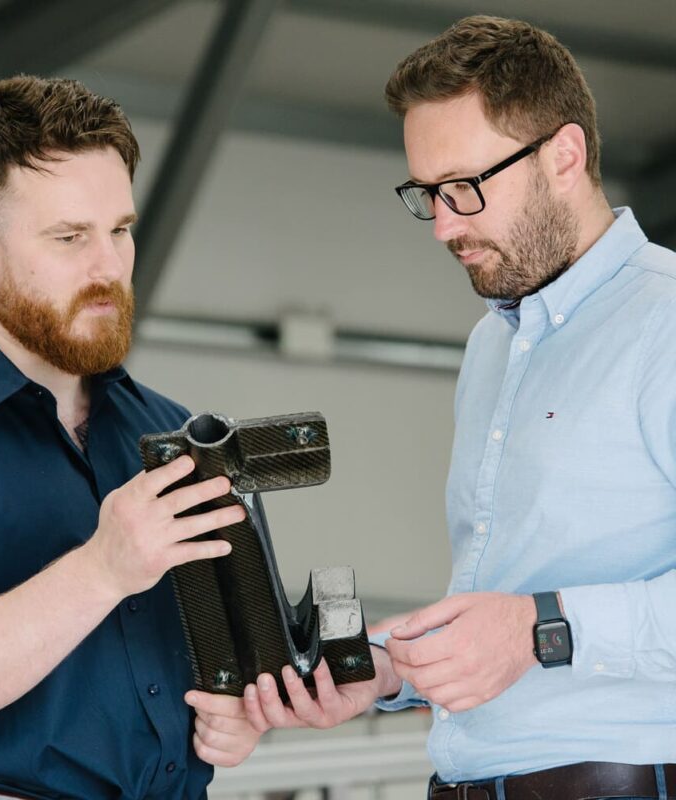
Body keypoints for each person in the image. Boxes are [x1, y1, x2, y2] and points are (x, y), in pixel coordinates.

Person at [242, 15, 676, 800]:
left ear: (565, 157)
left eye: (465, 188)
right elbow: (502, 609)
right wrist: (385, 675)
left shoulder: (666, 322)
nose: (444, 225)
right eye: (426, 194)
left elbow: (528, 626)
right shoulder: (491, 348)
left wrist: (541, 628)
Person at [0, 75, 261, 800]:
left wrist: (231, 713)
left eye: (119, 229)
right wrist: (102, 570)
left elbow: (210, 671)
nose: (109, 267)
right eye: (69, 237)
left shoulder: (170, 431)